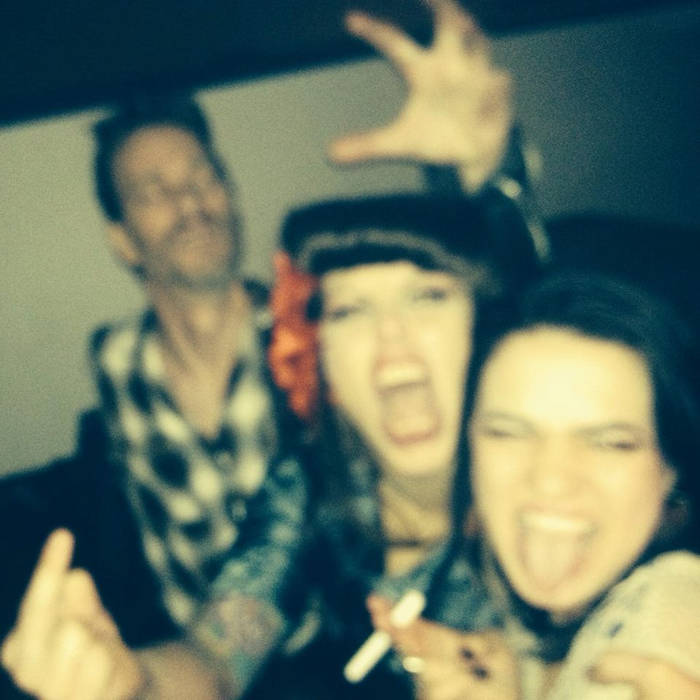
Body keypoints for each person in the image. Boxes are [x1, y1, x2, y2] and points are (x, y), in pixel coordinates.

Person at [1, 0, 540, 696]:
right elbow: (222, 643)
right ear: (122, 239)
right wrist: (132, 682)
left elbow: (528, 326)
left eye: (203, 176)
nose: (190, 202)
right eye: (154, 191)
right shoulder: (119, 365)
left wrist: (489, 178)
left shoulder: (296, 342)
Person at [374, 272, 700, 700]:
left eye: (611, 442)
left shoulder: (672, 614)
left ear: (671, 469)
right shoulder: (526, 639)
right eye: (507, 432)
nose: (550, 479)